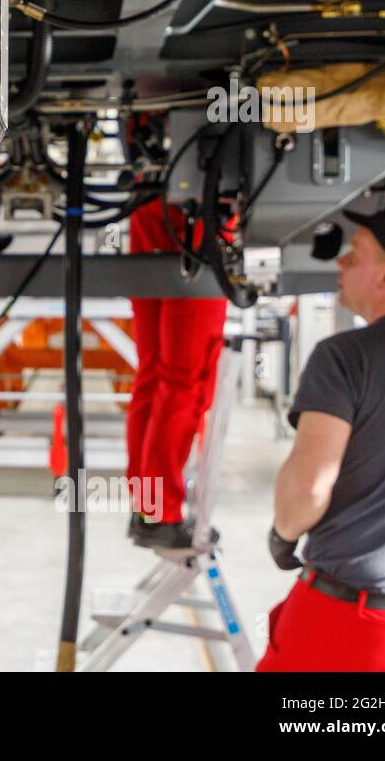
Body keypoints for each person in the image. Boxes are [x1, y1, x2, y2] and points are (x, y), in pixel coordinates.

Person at [257, 203, 385, 671]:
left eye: (356, 254)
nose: (341, 262)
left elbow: (309, 485)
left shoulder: (345, 357)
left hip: (349, 629)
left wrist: (282, 536)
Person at [125, 198, 229, 548]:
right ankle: (158, 513)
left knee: (154, 373)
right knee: (185, 377)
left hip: (150, 207)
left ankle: (147, 507)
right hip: (202, 213)